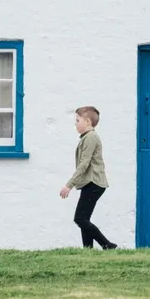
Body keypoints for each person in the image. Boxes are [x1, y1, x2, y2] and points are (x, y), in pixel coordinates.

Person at [58, 106, 116, 249]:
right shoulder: (87, 137)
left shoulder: (90, 137)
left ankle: (107, 244)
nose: (75, 124)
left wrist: (69, 185)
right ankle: (88, 250)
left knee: (80, 218)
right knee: (84, 219)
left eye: (78, 120)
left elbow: (84, 164)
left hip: (94, 183)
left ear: (88, 122)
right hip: (90, 183)